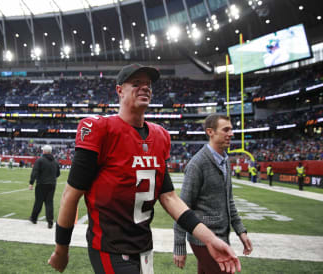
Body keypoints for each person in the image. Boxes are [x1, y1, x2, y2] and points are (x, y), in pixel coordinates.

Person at [48, 64, 241, 274]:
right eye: (136, 83)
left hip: (144, 248)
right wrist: (61, 250)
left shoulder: (160, 136)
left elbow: (169, 197)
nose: (145, 88)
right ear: (119, 90)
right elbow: (70, 195)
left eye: (148, 84)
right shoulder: (100, 129)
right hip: (110, 248)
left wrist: (210, 239)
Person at [173, 114, 252, 274]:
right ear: (210, 132)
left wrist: (241, 231)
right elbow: (182, 207)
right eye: (226, 130)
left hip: (221, 236)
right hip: (203, 239)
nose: (231, 133)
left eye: (231, 129)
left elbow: (228, 201)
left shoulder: (224, 160)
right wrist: (179, 247)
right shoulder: (197, 164)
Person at [29, 145, 61, 229]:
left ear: (45, 151)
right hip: (52, 184)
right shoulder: (55, 161)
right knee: (49, 203)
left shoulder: (40, 160)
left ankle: (34, 218)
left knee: (38, 202)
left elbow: (35, 172)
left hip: (41, 184)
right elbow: (58, 174)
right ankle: (50, 222)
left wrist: (31, 183)